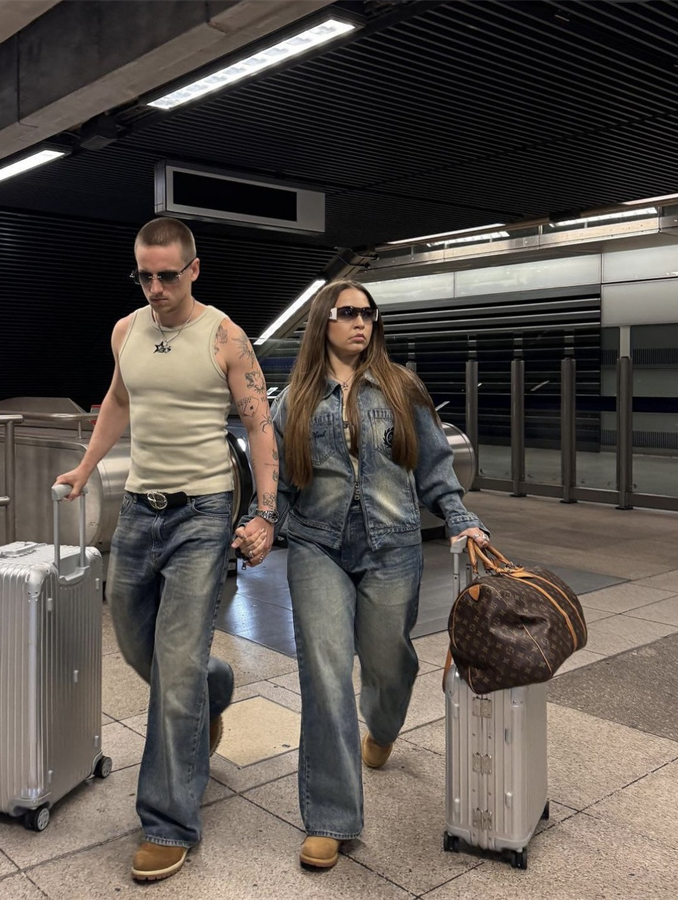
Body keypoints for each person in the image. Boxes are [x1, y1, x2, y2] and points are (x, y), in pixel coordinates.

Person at [235, 280, 490, 870]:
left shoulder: (401, 387)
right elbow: (280, 480)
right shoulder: (294, 399)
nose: (360, 323)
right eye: (347, 313)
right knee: (324, 676)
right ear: (323, 321)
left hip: (392, 544)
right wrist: (261, 521)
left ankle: (383, 724)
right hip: (317, 546)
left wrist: (459, 516)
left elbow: (434, 465)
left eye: (368, 314)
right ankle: (330, 817)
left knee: (389, 661)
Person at [55, 217, 277, 882]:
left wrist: (267, 513)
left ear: (193, 270)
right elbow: (118, 400)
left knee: (175, 670)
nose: (155, 287)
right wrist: (87, 467)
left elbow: (260, 426)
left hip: (203, 514)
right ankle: (215, 686)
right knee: (134, 640)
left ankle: (168, 822)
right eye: (144, 275)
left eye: (167, 276)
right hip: (137, 511)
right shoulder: (126, 331)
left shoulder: (225, 336)